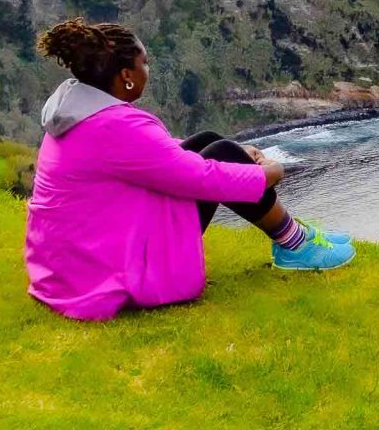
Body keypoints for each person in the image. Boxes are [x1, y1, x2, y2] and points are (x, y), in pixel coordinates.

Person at [23, 17, 353, 320]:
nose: (147, 72)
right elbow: (201, 177)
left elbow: (154, 155)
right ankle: (294, 244)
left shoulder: (78, 113)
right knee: (222, 153)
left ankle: (295, 234)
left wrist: (242, 152)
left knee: (210, 142)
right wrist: (271, 172)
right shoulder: (115, 125)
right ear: (126, 76)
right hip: (101, 274)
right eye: (144, 64)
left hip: (71, 265)